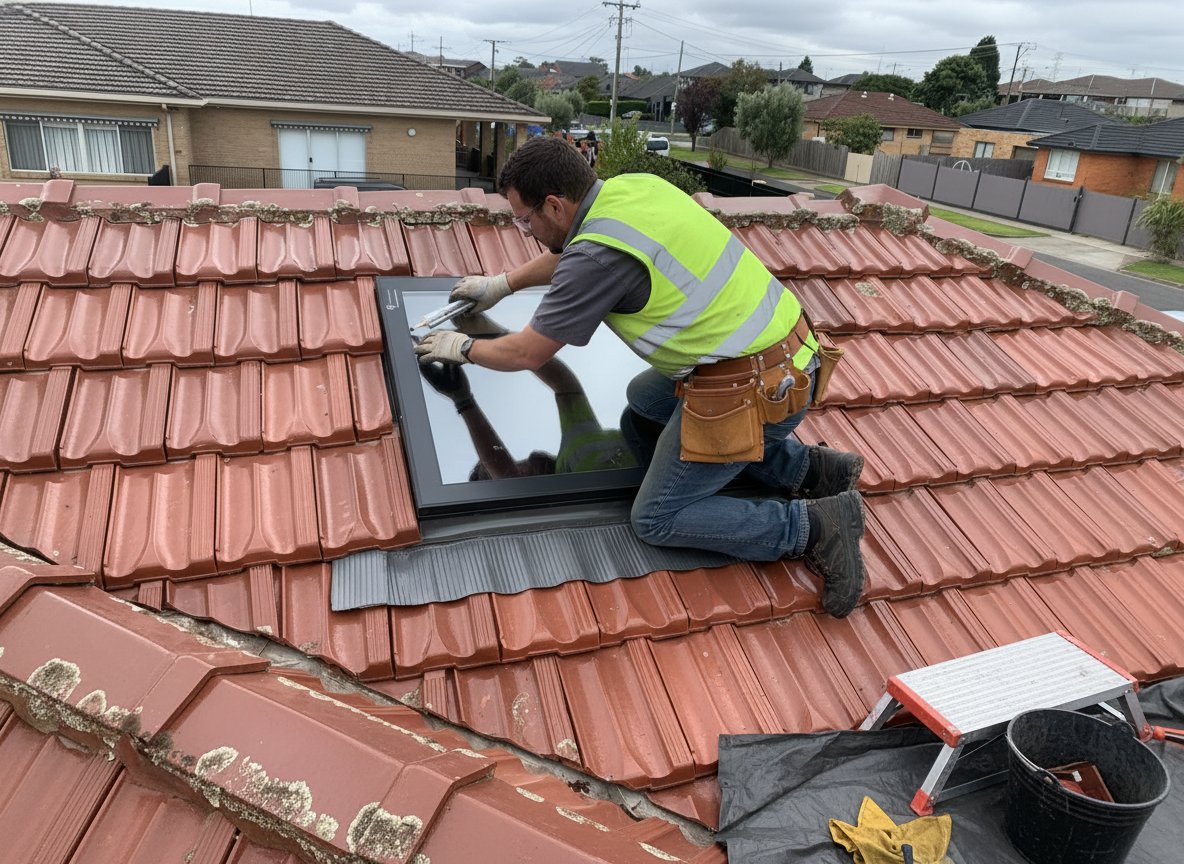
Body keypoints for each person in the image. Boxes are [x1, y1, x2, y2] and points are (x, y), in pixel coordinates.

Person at [414, 137, 865, 617]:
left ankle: (813, 525)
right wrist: (502, 285)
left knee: (657, 517)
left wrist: (462, 348)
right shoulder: (630, 190)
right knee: (643, 401)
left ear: (554, 203)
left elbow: (527, 352)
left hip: (754, 390)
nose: (525, 231)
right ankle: (810, 470)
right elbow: (573, 251)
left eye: (525, 219)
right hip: (794, 355)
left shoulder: (596, 258)